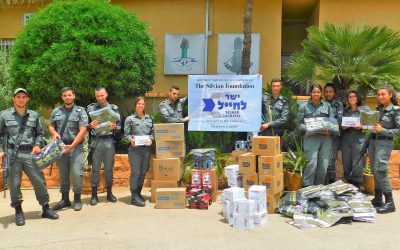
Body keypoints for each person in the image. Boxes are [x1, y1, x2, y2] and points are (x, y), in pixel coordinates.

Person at [0, 88, 58, 226]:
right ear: (13, 98)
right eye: (18, 96)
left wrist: (38, 145)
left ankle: (45, 208)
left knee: (39, 180)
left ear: (27, 99)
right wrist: (1, 150)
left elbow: (39, 133)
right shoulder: (4, 115)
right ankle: (18, 211)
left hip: (30, 153)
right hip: (12, 154)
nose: (21, 99)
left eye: (23, 97)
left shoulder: (34, 115)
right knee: (14, 184)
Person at [49, 87, 88, 211]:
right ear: (62, 97)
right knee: (63, 174)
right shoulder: (56, 111)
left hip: (76, 147)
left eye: (69, 95)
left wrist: (72, 145)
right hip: (61, 147)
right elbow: (51, 126)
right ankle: (64, 199)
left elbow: (83, 130)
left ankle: (77, 199)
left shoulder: (80, 111)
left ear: (74, 96)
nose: (67, 97)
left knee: (77, 173)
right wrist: (54, 133)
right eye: (65, 95)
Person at [87, 87, 120, 206]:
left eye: (102, 95)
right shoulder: (91, 108)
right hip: (96, 141)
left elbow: (119, 127)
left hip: (109, 141)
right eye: (98, 96)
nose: (100, 98)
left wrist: (114, 127)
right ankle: (94, 195)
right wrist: (89, 126)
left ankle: (109, 193)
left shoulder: (114, 108)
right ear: (95, 96)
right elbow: (84, 125)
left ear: (106, 94)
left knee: (108, 169)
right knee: (95, 169)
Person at [369, 86, 399, 214]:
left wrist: (383, 130)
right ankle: (378, 198)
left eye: (383, 94)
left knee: (380, 170)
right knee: (375, 170)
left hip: (384, 143)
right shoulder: (378, 109)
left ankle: (390, 202)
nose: (380, 97)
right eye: (378, 94)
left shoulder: (396, 111)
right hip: (373, 142)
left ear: (390, 95)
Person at [297, 84, 334, 187]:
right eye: (314, 92)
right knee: (311, 165)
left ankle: (318, 190)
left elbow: (332, 122)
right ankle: (307, 189)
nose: (316, 94)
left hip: (325, 139)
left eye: (318, 92)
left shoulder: (327, 106)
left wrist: (329, 129)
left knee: (323, 166)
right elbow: (298, 123)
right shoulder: (304, 106)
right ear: (311, 93)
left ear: (321, 93)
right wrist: (308, 128)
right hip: (311, 138)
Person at [124, 97, 154, 207]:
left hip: (146, 149)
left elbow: (153, 132)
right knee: (135, 173)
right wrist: (130, 140)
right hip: (135, 150)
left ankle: (138, 193)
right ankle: (134, 196)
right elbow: (126, 135)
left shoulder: (150, 119)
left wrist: (151, 139)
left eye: (142, 104)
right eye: (139, 103)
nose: (141, 105)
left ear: (144, 105)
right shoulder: (129, 119)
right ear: (135, 105)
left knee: (142, 173)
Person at [341, 90, 365, 189]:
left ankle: (357, 185)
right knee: (346, 162)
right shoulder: (345, 111)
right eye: (350, 97)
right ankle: (349, 183)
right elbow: (341, 125)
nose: (352, 98)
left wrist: (362, 126)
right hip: (346, 140)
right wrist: (343, 126)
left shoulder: (364, 110)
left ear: (358, 97)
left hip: (358, 140)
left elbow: (370, 126)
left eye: (354, 96)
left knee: (357, 163)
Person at [323, 83, 344, 184]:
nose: (328, 94)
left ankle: (332, 182)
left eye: (330, 92)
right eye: (326, 92)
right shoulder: (321, 103)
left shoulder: (338, 104)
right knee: (323, 160)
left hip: (334, 137)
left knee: (331, 160)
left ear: (334, 93)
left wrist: (329, 129)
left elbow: (339, 120)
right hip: (322, 136)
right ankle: (324, 183)